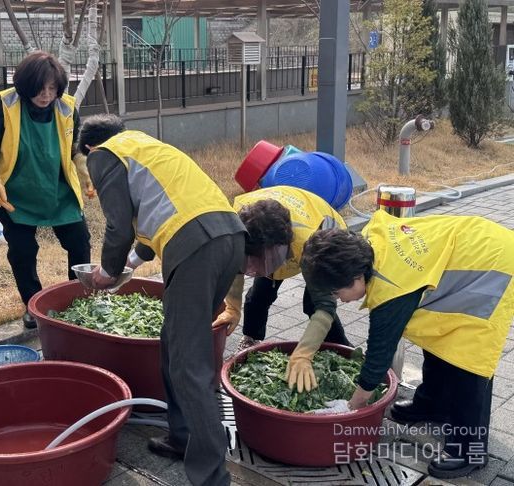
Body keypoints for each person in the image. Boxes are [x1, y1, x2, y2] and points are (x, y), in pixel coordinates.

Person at [77, 114, 291, 486]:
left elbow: (118, 224)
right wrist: (130, 264)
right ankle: (182, 438)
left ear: (89, 147)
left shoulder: (103, 155)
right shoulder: (146, 148)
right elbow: (159, 218)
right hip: (230, 238)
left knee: (189, 368)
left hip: (197, 248)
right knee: (176, 347)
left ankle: (212, 477)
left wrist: (108, 272)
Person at [299, 210, 514, 479]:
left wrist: (352, 406)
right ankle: (433, 404)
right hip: (466, 250)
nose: (339, 300)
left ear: (356, 277)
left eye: (336, 292)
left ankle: (469, 451)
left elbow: (379, 357)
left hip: (492, 266)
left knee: (467, 359)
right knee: (439, 334)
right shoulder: (364, 248)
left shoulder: (391, 288)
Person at [0, 51, 92, 329]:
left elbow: (76, 150)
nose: (46, 95)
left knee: (80, 243)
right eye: (40, 88)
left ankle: (79, 300)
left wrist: (88, 174)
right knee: (23, 251)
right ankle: (32, 305)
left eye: (52, 88)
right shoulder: (5, 105)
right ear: (26, 84)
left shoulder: (66, 107)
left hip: (59, 191)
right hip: (15, 194)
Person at [212, 185, 352, 391]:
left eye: (258, 263)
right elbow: (235, 266)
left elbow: (325, 307)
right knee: (258, 295)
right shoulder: (236, 223)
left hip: (326, 240)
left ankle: (346, 352)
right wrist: (232, 307)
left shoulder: (312, 245)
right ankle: (251, 338)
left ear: (280, 249)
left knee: (313, 304)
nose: (253, 270)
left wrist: (303, 354)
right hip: (277, 234)